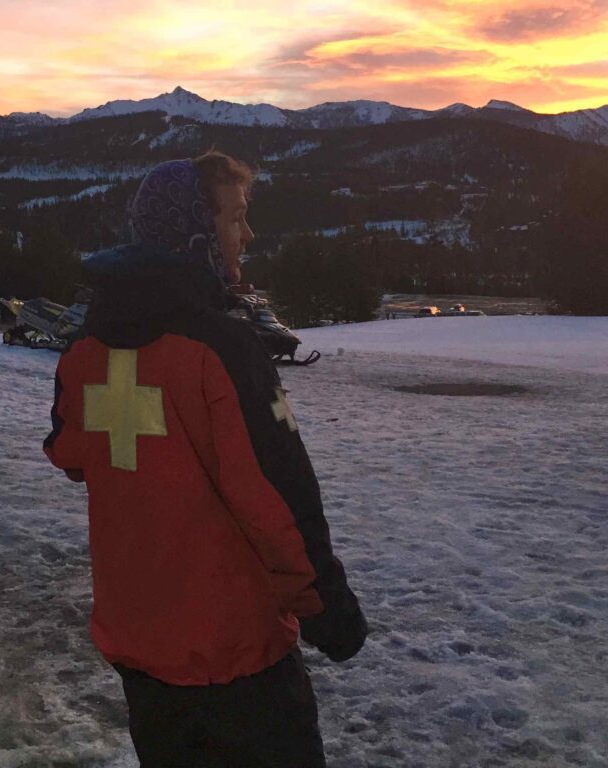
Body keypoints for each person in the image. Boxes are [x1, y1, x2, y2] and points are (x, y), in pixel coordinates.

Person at [43, 151, 366, 767]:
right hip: (237, 661)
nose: (247, 235)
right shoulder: (221, 351)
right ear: (194, 234)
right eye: (235, 217)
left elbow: (69, 452)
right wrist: (329, 610)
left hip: (141, 654)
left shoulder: (84, 352)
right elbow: (276, 501)